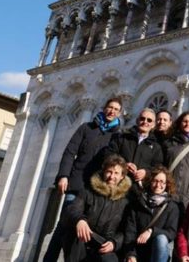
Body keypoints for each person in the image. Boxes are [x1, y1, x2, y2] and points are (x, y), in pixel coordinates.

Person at [44, 97, 123, 262]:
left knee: (88, 229)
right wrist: (63, 176)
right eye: (110, 107)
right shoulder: (86, 128)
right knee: (64, 225)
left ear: (119, 113)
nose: (112, 111)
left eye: (116, 109)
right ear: (104, 108)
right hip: (77, 184)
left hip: (97, 189)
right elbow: (69, 152)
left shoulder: (117, 136)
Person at [62, 154, 132, 262]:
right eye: (109, 171)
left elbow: (125, 230)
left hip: (104, 244)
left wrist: (115, 242)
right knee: (74, 233)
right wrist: (79, 220)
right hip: (83, 239)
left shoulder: (125, 201)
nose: (111, 176)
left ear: (122, 176)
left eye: (116, 173)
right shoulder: (88, 191)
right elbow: (73, 209)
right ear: (103, 172)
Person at [124, 166, 181, 262]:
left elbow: (171, 233)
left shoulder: (172, 207)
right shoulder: (138, 203)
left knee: (161, 238)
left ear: (167, 184)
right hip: (139, 252)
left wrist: (151, 231)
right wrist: (131, 255)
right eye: (155, 181)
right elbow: (130, 232)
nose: (158, 185)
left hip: (159, 253)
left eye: (162, 182)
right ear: (150, 181)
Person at [104, 108, 163, 188]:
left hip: (138, 190)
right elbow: (109, 154)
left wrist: (146, 172)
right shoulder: (122, 137)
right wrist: (123, 165)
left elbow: (157, 167)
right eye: (142, 118)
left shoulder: (156, 147)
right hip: (117, 185)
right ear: (137, 120)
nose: (145, 122)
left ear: (153, 125)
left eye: (149, 120)